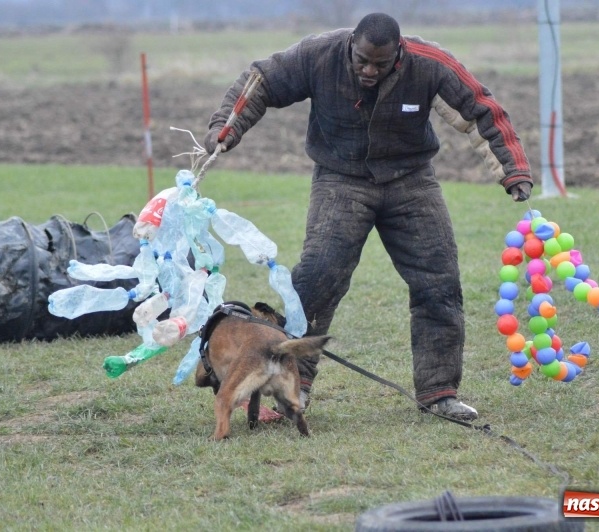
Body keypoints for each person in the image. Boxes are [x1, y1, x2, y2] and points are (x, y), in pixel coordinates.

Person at [203, 13, 532, 422]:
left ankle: (438, 393)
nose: (370, 70)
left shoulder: (429, 65)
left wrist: (512, 171)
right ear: (351, 47)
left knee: (439, 282)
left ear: (400, 53)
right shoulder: (317, 55)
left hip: (411, 182)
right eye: (362, 61)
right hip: (341, 179)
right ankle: (293, 390)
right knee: (317, 278)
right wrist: (225, 129)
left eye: (381, 63)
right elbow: (261, 81)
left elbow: (481, 110)